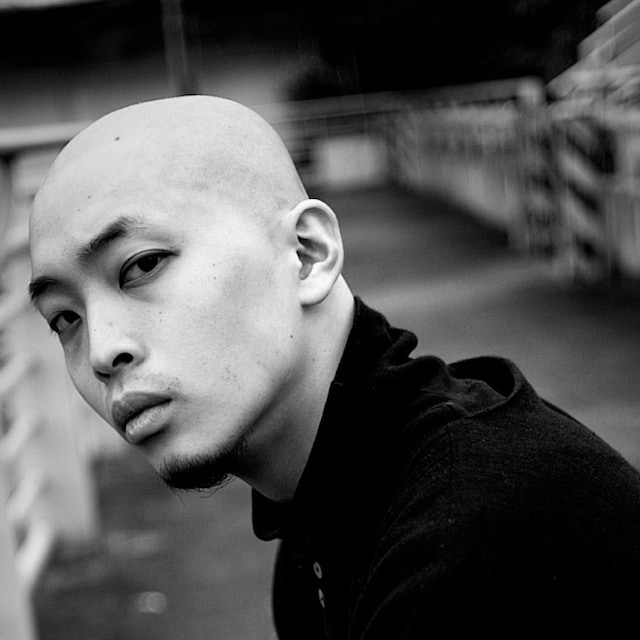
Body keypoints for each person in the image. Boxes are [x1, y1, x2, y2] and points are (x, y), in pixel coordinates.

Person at [29, 96, 640, 639]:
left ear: (307, 254)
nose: (101, 351)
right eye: (65, 319)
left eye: (141, 265)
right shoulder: (322, 513)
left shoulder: (475, 554)